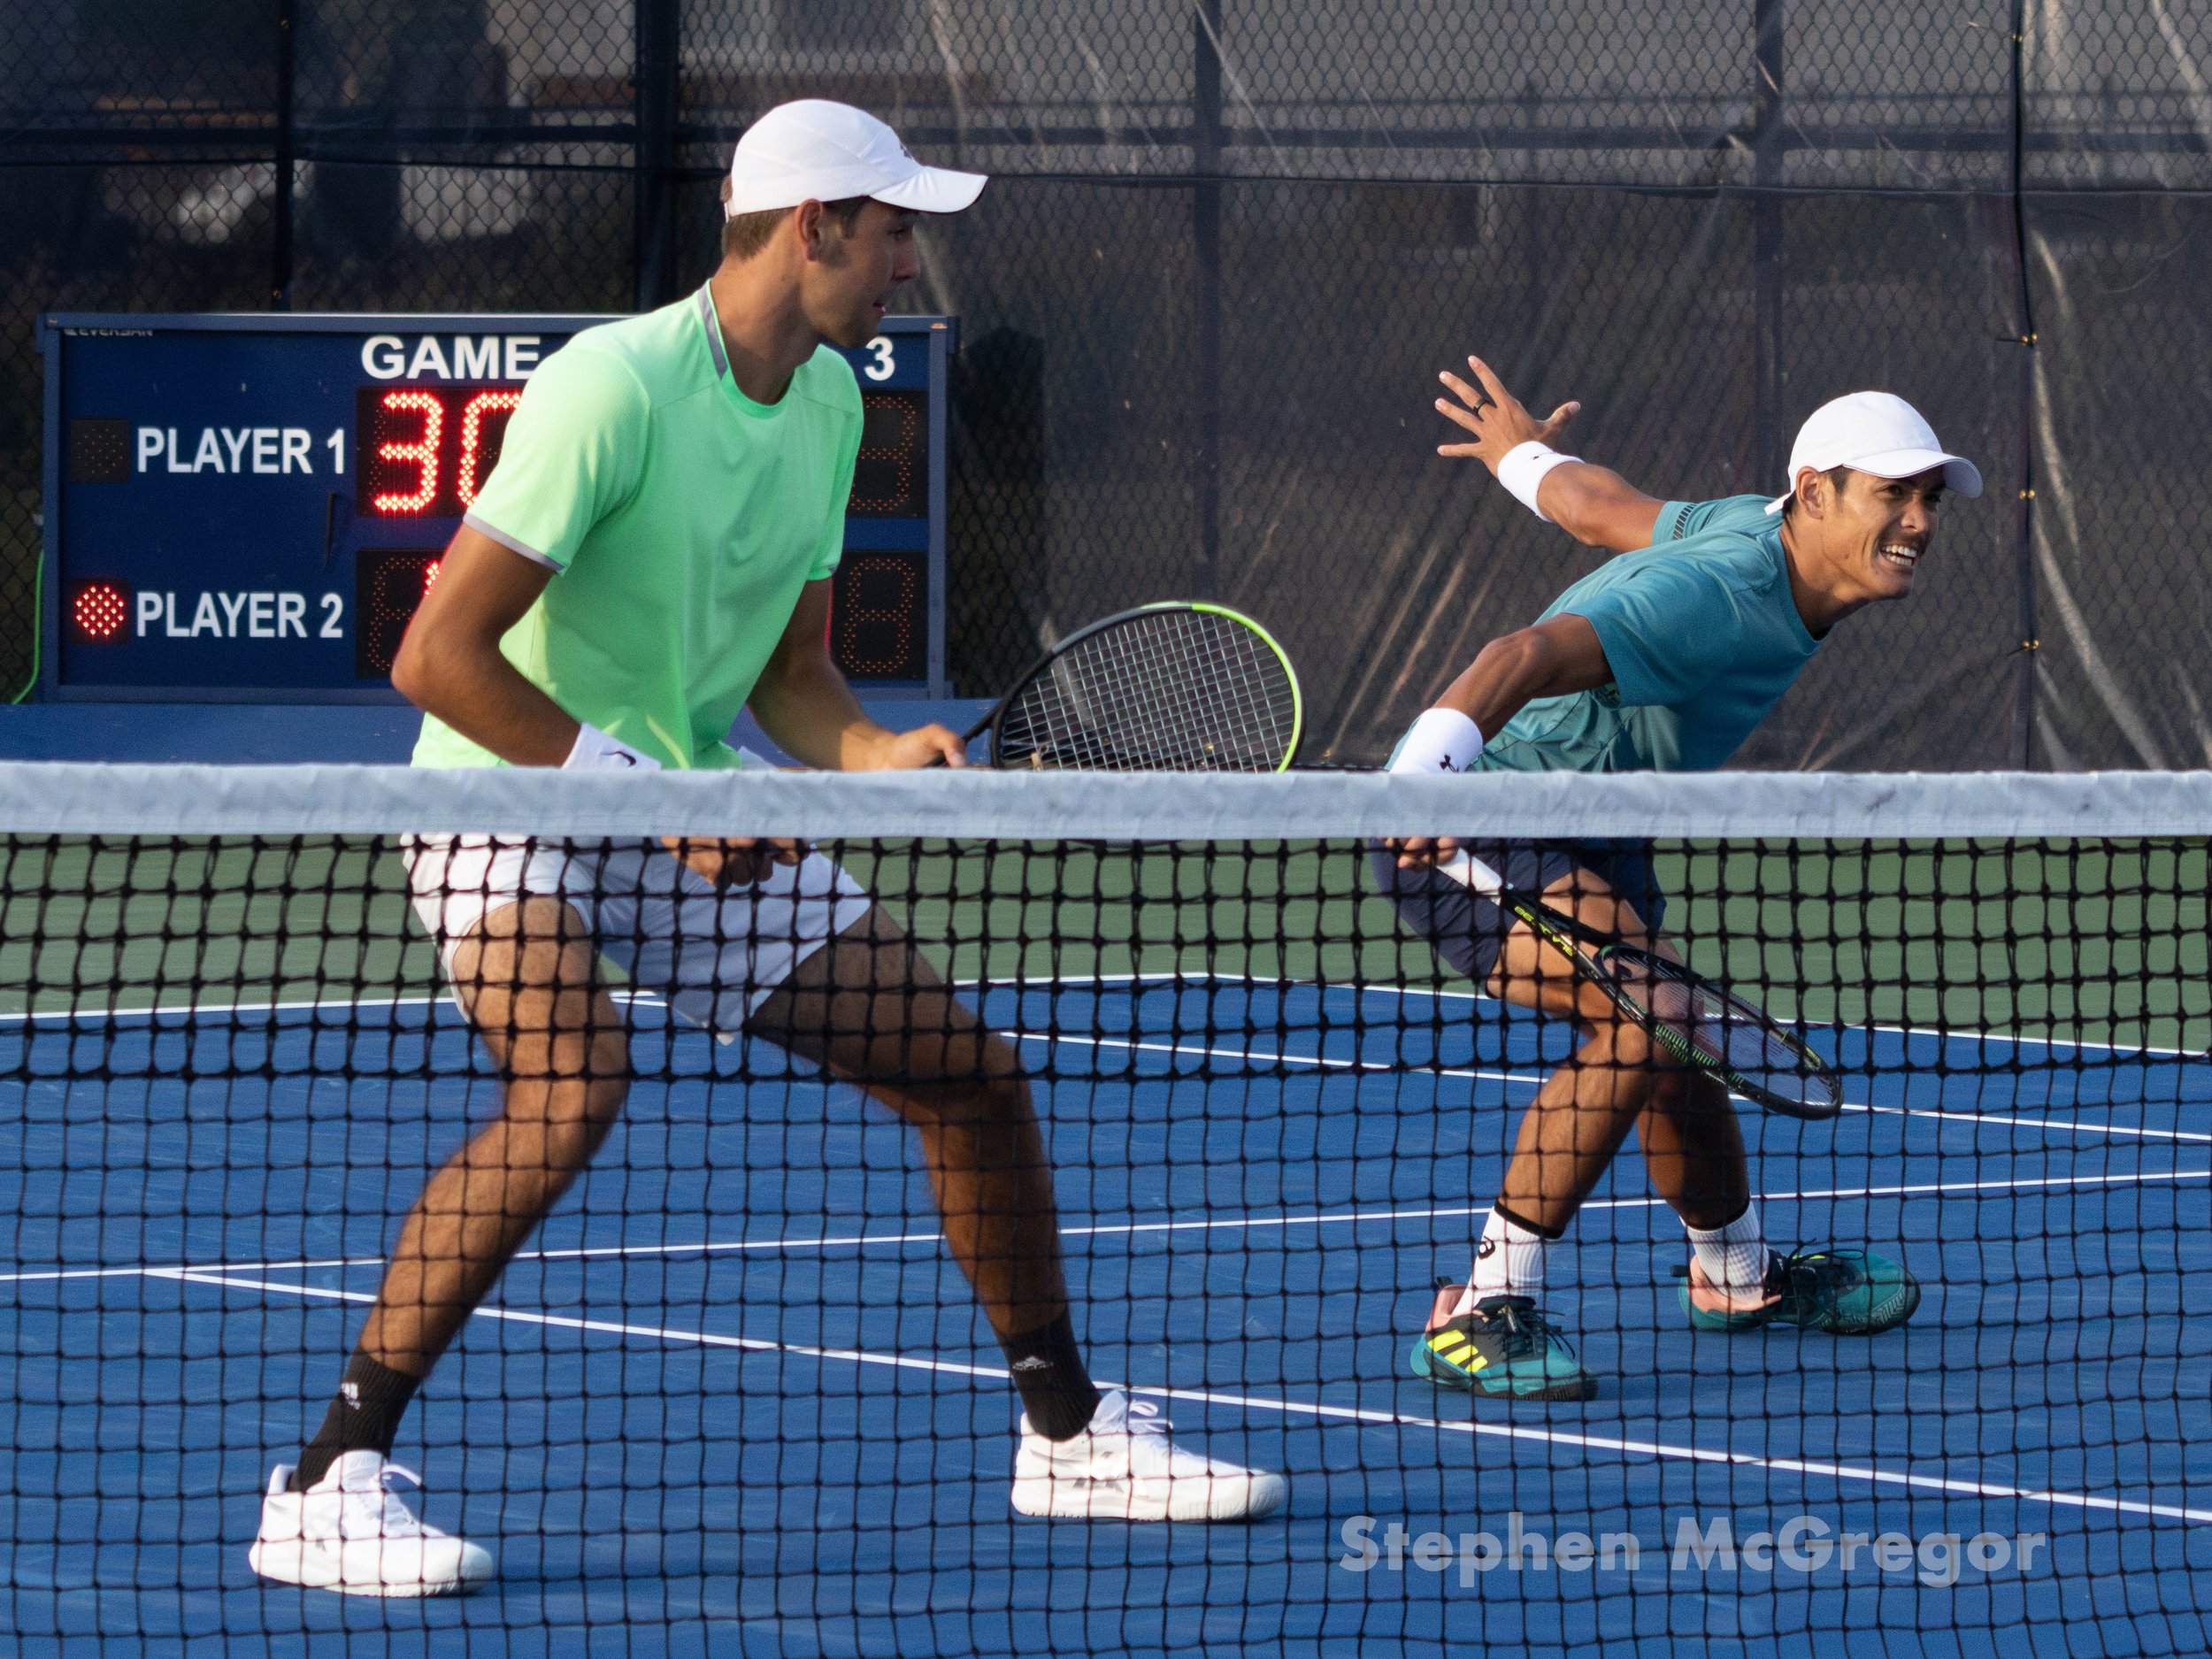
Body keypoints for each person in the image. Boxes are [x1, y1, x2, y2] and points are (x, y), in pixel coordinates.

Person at [250, 99, 1285, 1598]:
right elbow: (437, 656)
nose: (909, 262)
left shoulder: (832, 406)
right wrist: (649, 798)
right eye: (893, 231)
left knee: (969, 1076)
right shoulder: (613, 386)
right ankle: (325, 1481)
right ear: (813, 227)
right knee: (572, 1082)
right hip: (504, 782)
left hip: (675, 786)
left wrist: (870, 749)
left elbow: (795, 673)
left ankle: (1066, 1434)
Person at [1375, 359, 1979, 1402]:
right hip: (1479, 817)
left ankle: (1737, 1279)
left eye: (1929, 498)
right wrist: (1420, 782)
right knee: (1643, 1012)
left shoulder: (1755, 530)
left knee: (1670, 1028)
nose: (1919, 521)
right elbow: (1522, 652)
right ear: (1814, 494)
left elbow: (1603, 510)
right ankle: (1480, 1309)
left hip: (1596, 827)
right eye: (1894, 494)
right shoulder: (1718, 599)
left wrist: (1522, 455)